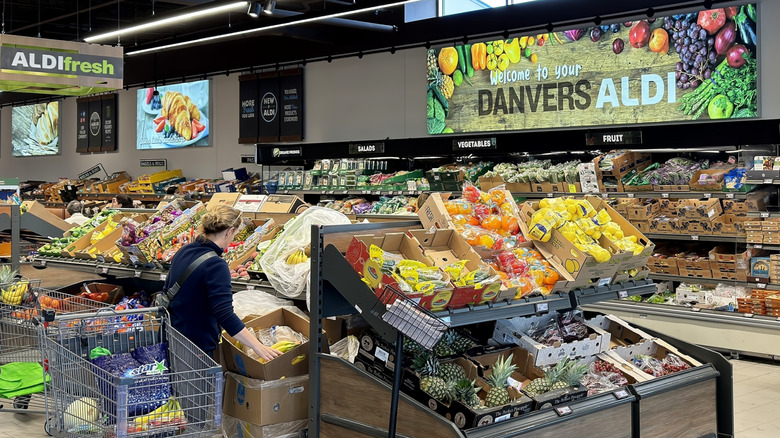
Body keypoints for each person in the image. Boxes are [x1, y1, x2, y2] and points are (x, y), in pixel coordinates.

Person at [165, 204, 281, 361]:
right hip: (196, 345)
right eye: (235, 234)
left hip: (173, 335)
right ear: (229, 232)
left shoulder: (185, 250)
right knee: (199, 385)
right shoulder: (215, 265)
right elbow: (224, 314)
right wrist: (258, 346)